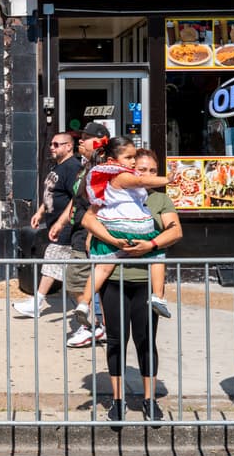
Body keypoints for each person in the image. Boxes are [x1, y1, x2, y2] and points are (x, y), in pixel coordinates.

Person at [84, 148, 183, 426]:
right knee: (116, 339)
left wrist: (150, 245)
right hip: (114, 278)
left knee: (145, 339)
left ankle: (149, 400)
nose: (147, 175)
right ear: (129, 171)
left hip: (144, 281)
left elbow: (175, 231)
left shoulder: (160, 198)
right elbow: (89, 220)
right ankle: (117, 401)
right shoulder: (114, 193)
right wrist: (112, 240)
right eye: (142, 170)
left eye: (153, 170)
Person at [71, 137, 174, 328]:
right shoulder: (121, 176)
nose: (133, 162)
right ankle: (158, 296)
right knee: (157, 255)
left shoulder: (108, 181)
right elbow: (141, 180)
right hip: (132, 226)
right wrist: (167, 179)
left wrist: (110, 239)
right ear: (112, 161)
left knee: (102, 267)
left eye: (134, 157)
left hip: (113, 227)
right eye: (129, 157)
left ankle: (84, 303)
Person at [13, 131, 80, 318]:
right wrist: (41, 212)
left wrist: (62, 221)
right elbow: (52, 193)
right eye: (51, 144)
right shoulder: (57, 167)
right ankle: (86, 308)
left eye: (57, 144)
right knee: (66, 270)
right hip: (54, 223)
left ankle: (37, 302)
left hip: (65, 225)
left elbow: (76, 198)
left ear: (69, 147)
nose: (52, 147)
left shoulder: (72, 167)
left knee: (53, 260)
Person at [59, 122, 111, 348]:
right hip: (78, 232)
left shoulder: (103, 168)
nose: (81, 141)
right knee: (79, 283)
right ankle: (98, 326)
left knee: (79, 282)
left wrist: (93, 231)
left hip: (89, 235)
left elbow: (102, 203)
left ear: (100, 143)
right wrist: (62, 221)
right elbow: (77, 197)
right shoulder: (86, 166)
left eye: (86, 138)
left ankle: (93, 326)